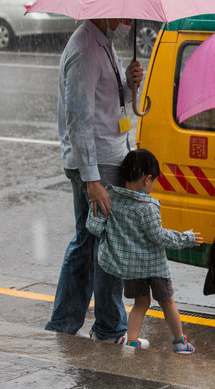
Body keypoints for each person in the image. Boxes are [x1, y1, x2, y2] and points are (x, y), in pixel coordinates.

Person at [45, 18, 145, 343]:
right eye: (124, 15)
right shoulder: (85, 49)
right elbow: (79, 117)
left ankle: (65, 325)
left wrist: (131, 85)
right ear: (105, 12)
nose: (128, 22)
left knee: (90, 244)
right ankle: (109, 328)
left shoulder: (103, 43)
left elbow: (112, 104)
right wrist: (92, 179)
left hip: (106, 157)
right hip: (97, 165)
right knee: (104, 245)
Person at [86, 149, 201, 353]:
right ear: (147, 179)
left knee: (140, 303)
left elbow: (95, 228)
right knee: (167, 302)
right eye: (154, 181)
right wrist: (186, 238)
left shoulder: (110, 198)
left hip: (131, 269)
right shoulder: (146, 206)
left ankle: (132, 340)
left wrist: (92, 206)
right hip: (154, 267)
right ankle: (180, 341)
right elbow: (158, 236)